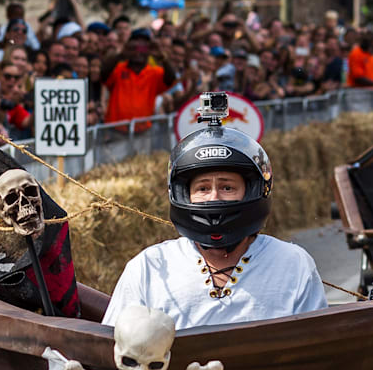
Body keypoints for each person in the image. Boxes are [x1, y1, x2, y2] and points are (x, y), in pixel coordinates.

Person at [103, 108, 326, 329]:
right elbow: (116, 348)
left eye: (227, 187)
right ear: (182, 194)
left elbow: (318, 346)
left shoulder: (293, 263)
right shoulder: (150, 267)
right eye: (202, 188)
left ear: (255, 190)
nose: (214, 197)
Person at [101, 27, 174, 128]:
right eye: (135, 47)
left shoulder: (155, 72)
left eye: (143, 48)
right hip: (115, 131)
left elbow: (171, 79)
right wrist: (121, 54)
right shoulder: (118, 69)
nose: (138, 52)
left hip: (143, 132)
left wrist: (162, 56)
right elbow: (103, 75)